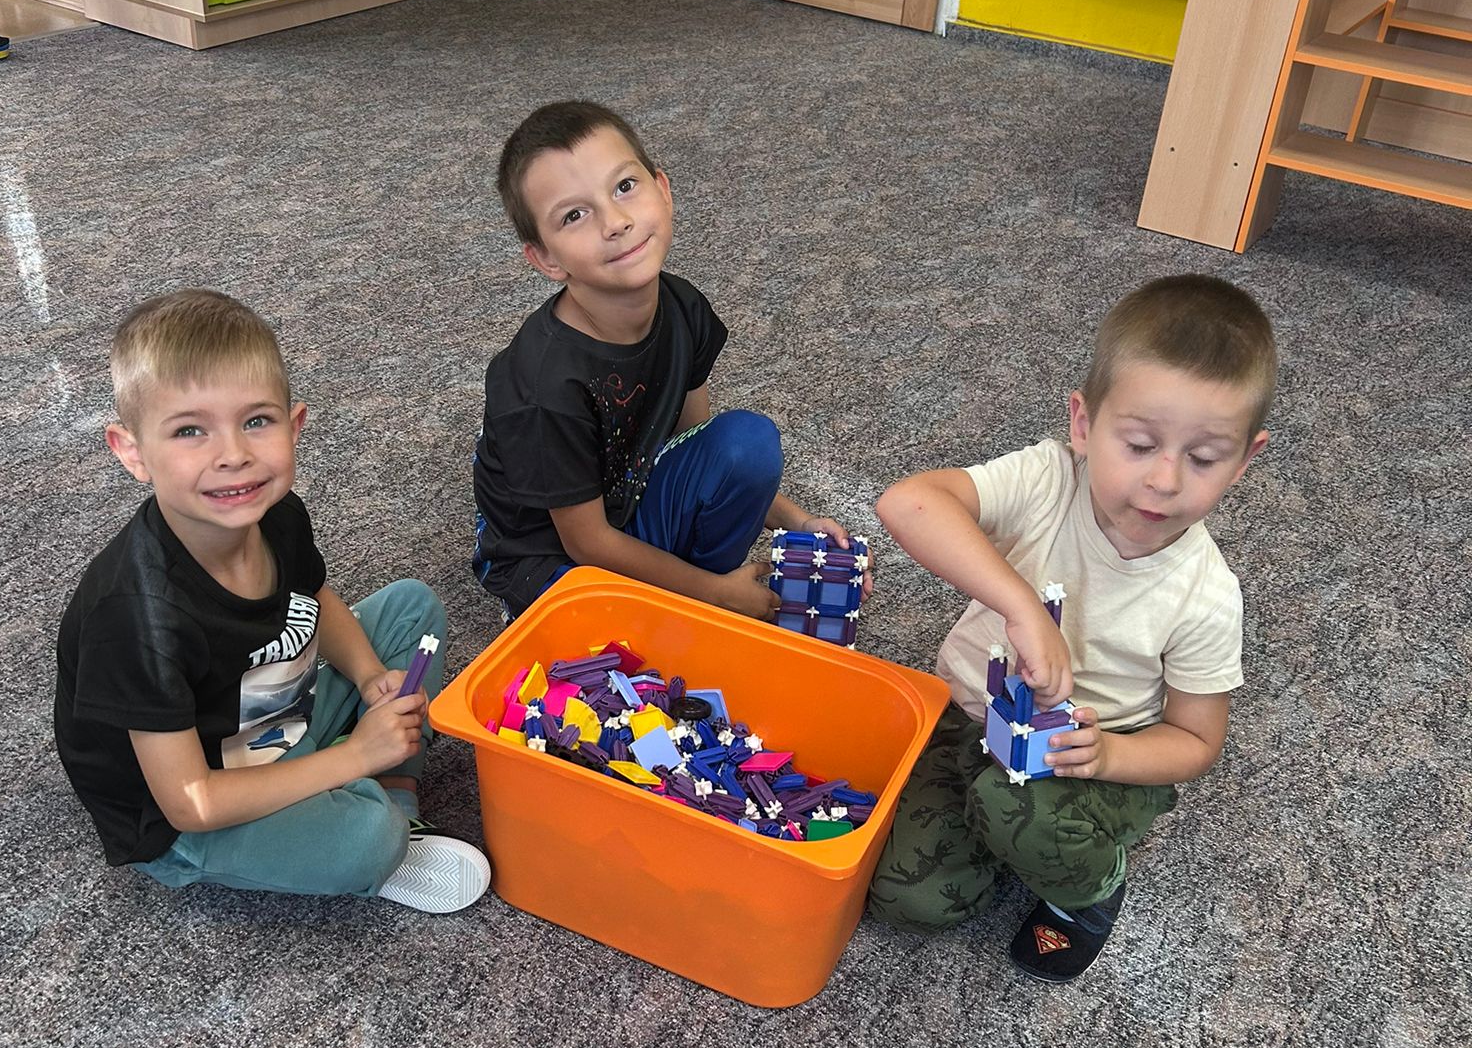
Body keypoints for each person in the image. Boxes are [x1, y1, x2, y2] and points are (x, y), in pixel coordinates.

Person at [867, 274, 1276, 982]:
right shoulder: (1048, 479)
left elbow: (1196, 740)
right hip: (966, 721)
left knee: (1012, 804)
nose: (1165, 480)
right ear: (1083, 425)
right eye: (1139, 444)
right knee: (907, 901)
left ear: (1244, 460)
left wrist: (1107, 757)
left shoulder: (1206, 596)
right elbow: (909, 502)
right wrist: (1023, 607)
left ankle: (1089, 889)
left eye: (1204, 458)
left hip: (1087, 759)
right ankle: (1005, 837)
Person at [55, 289, 491, 914]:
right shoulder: (135, 616)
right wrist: (355, 755)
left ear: (294, 425)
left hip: (275, 715)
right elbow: (191, 803)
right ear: (132, 451)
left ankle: (391, 791)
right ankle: (375, 815)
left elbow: (314, 599)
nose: (233, 455)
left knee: (411, 609)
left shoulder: (276, 513)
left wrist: (369, 676)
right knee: (370, 841)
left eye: (256, 421)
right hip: (189, 808)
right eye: (190, 430)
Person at [472, 98, 850, 619]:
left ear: (663, 191)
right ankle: (695, 602)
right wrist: (715, 593)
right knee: (607, 641)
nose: (615, 222)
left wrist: (798, 522)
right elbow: (586, 542)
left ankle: (691, 598)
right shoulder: (543, 386)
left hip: (628, 509)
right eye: (575, 215)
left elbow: (692, 445)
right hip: (548, 557)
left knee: (746, 443)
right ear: (546, 258)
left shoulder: (683, 307)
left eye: (624, 186)